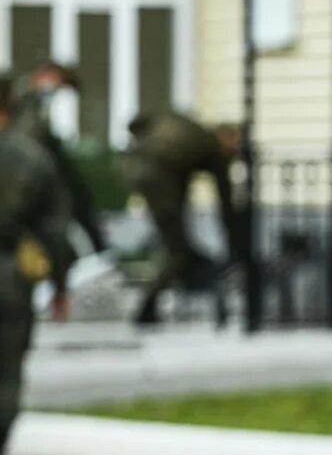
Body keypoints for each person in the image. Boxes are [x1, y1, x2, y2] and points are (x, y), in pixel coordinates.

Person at [0, 79, 78, 455]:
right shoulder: (32, 159)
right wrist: (61, 288)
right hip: (12, 276)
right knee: (8, 373)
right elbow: (54, 230)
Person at [123, 108, 241, 326]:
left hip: (136, 169)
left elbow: (137, 121)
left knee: (178, 247)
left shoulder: (186, 128)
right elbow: (226, 205)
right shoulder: (212, 149)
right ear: (227, 137)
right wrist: (236, 245)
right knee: (178, 252)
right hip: (158, 182)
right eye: (235, 144)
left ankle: (183, 278)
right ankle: (146, 308)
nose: (235, 152)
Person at [9, 62, 106, 254]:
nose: (57, 90)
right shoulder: (23, 98)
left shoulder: (33, 102)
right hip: (28, 170)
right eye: (59, 83)